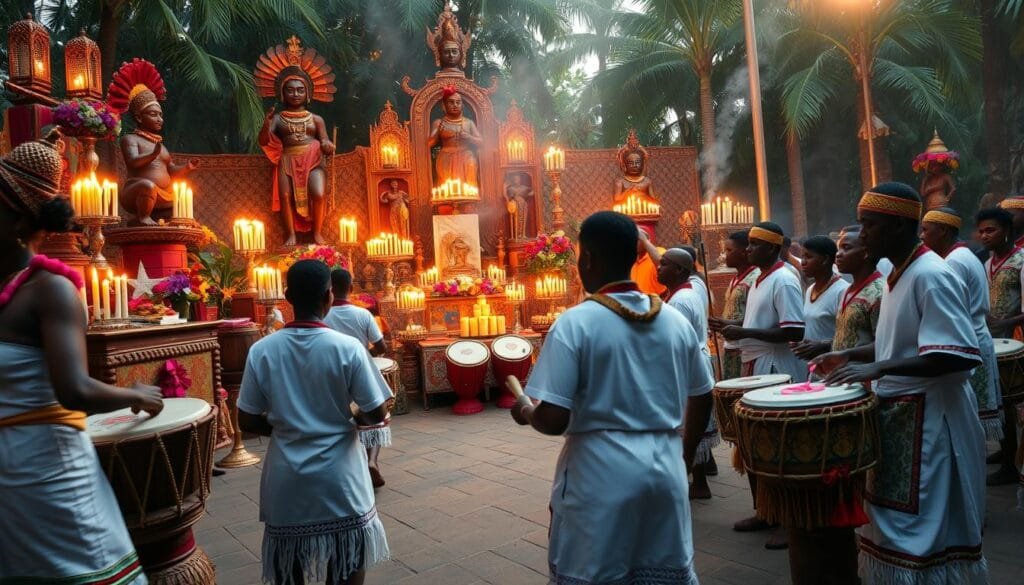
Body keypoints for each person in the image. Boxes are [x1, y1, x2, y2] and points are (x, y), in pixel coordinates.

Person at [510, 211, 713, 584]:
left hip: (599, 475)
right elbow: (702, 395)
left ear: (587, 258)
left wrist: (525, 409)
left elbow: (554, 419)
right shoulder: (674, 320)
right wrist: (683, 456)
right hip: (665, 469)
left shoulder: (575, 323)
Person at [0, 130, 163, 583]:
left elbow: (74, 390)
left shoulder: (50, 289)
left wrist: (135, 395)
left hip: (48, 474)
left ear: (17, 222)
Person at [814, 182, 987, 585]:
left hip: (931, 426)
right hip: (901, 419)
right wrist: (852, 356)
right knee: (893, 531)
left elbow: (957, 354)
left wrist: (878, 370)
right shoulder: (896, 272)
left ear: (896, 226)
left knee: (925, 538)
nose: (862, 234)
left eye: (868, 225)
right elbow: (901, 337)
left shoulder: (932, 274)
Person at [238, 260, 391, 585]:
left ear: (288, 296)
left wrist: (285, 426)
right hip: (341, 479)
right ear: (329, 297)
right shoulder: (348, 348)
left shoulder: (262, 350)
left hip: (286, 480)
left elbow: (246, 418)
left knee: (289, 571)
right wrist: (348, 418)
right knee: (347, 564)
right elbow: (377, 412)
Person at [711, 221, 804, 551]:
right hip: (758, 367)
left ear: (772, 248)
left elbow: (793, 331)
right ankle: (766, 511)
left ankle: (788, 521)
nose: (747, 249)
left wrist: (746, 333)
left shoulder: (783, 280)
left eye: (753, 244)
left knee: (778, 448)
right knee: (759, 446)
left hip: (777, 370)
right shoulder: (760, 280)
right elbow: (760, 324)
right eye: (747, 244)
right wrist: (733, 325)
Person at [921, 208, 1002, 443]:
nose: (922, 236)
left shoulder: (954, 262)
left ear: (943, 230)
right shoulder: (962, 256)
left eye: (926, 230)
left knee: (968, 418)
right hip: (976, 335)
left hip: (968, 341)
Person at [256, 38, 337, 246]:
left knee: (318, 193)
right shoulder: (277, 118)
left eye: (300, 90)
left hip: (313, 159)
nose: (295, 94)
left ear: (307, 93)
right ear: (283, 93)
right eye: (290, 90)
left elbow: (325, 139)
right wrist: (265, 124)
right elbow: (264, 141)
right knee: (285, 196)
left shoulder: (316, 119)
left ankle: (317, 233)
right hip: (287, 160)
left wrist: (328, 145)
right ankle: (290, 235)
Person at [658, 248, 719, 500]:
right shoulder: (682, 293)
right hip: (692, 362)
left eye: (664, 264)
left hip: (686, 367)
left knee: (687, 425)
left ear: (680, 270)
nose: (658, 268)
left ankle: (696, 482)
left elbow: (676, 340)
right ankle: (702, 474)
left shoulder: (681, 300)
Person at [107, 59, 200, 226]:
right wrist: (152, 154)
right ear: (138, 117)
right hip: (136, 191)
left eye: (160, 115)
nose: (159, 119)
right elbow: (133, 162)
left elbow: (171, 170)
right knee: (147, 186)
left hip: (162, 194)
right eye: (153, 114)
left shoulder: (160, 145)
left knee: (185, 191)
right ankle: (142, 217)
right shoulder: (130, 139)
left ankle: (176, 219)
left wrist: (187, 168)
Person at [325, 268, 390, 488]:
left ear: (329, 290)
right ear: (351, 289)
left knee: (341, 419)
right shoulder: (363, 314)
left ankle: (347, 465)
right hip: (361, 374)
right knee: (375, 416)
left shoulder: (322, 315)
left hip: (330, 375)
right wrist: (363, 356)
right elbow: (381, 347)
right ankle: (372, 461)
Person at [976, 206, 1024, 485]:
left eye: (990, 230)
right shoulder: (987, 263)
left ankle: (1010, 462)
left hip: (1016, 338)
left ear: (1006, 230)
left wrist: (1006, 321)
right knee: (1000, 398)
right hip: (995, 337)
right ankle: (1005, 453)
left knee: (1012, 401)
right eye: (981, 231)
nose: (984, 236)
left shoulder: (1020, 260)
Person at [791, 236, 849, 361]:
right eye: (802, 257)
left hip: (837, 365)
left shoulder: (842, 290)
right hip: (815, 365)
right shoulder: (810, 289)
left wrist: (823, 345)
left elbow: (850, 337)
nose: (803, 262)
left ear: (825, 260)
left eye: (809, 257)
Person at [830, 226, 883, 352]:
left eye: (846, 248)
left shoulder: (879, 292)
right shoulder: (848, 290)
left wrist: (846, 355)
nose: (838, 254)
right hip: (842, 370)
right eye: (838, 248)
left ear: (865, 253)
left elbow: (883, 345)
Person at [716, 230, 761, 379]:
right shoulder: (736, 278)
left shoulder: (755, 277)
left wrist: (732, 324)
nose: (724, 255)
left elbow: (759, 317)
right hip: (731, 346)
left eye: (729, 250)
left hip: (745, 348)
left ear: (743, 252)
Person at [427, 85, 483, 187]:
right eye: (451, 102)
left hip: (466, 157)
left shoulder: (469, 123)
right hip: (446, 158)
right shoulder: (439, 123)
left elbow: (481, 142)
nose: (455, 105)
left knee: (469, 186)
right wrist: (439, 132)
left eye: (458, 102)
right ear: (444, 105)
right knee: (448, 188)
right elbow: (429, 144)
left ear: (462, 105)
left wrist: (468, 137)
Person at [631, 223, 666, 296]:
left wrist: (644, 240)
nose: (633, 242)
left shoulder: (659, 251)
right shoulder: (631, 257)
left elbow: (661, 264)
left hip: (656, 301)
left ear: (648, 241)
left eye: (638, 239)